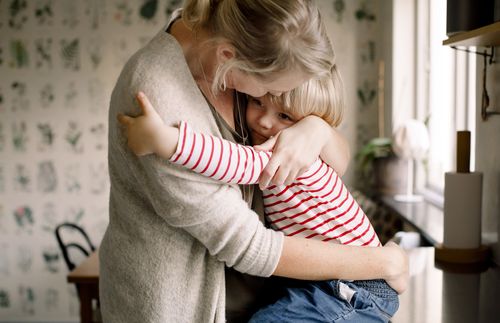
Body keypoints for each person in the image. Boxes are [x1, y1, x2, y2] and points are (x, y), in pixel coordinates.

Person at [100, 1, 408, 322]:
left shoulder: (240, 54)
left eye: (287, 112)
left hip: (295, 295)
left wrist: (316, 129)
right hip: (174, 308)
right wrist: (383, 263)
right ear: (228, 57)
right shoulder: (158, 94)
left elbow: (338, 161)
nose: (268, 111)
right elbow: (248, 244)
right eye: (271, 91)